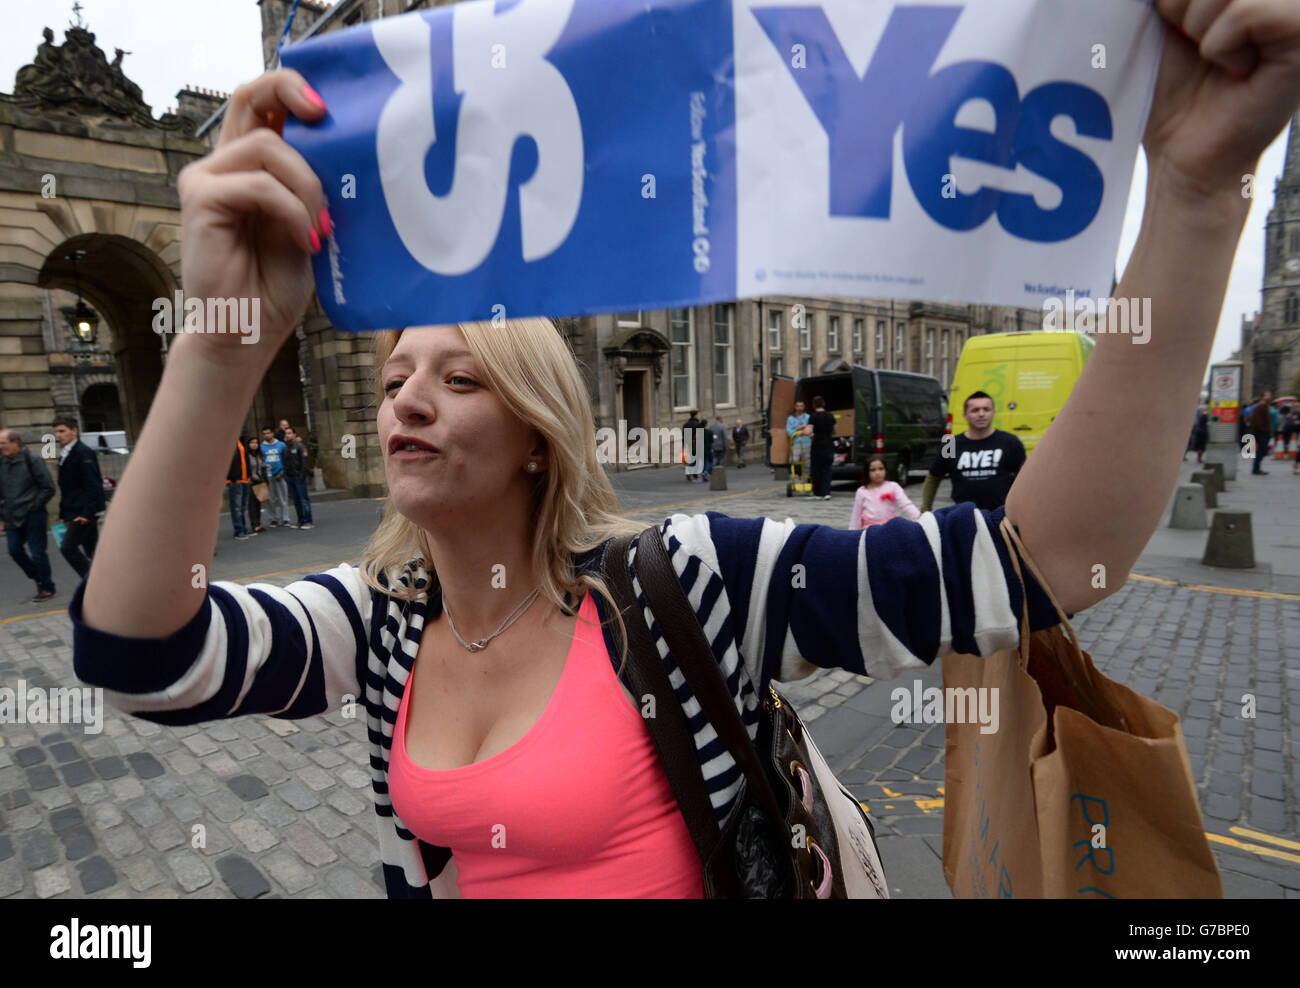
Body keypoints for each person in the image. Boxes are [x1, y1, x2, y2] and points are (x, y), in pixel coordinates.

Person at [69, 8, 1300, 898]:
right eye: (393, 378)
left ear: (540, 435)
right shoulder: (378, 614)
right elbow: (141, 658)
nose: (405, 401)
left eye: (459, 377)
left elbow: (1042, 565)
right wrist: (226, 345)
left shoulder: (692, 579)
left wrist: (1196, 195)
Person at [921, 392, 1027, 512]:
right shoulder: (950, 444)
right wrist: (925, 510)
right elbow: (934, 478)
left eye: (986, 409)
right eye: (975, 410)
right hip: (963, 517)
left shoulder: (1010, 442)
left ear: (993, 413)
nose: (981, 414)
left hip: (1000, 517)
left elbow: (1025, 479)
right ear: (965, 415)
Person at [0, 428, 57, 602]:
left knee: (37, 552)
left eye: (3, 443)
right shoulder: (2, 463)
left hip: (33, 514)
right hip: (11, 515)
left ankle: (47, 587)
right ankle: (39, 578)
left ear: (15, 442)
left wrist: (33, 506)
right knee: (14, 549)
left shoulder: (32, 460)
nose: (0, 446)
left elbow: (48, 488)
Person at [53, 416, 105, 578]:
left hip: (83, 512)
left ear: (74, 431)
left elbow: (93, 485)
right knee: (93, 552)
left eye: (62, 431)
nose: (58, 435)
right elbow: (67, 487)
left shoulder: (84, 452)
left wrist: (87, 514)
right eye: (56, 432)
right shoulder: (65, 453)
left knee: (67, 547)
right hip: (73, 510)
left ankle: (90, 582)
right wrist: (63, 513)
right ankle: (107, 581)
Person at [849, 456, 921, 529]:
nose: (877, 473)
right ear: (867, 472)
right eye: (873, 470)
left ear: (886, 470)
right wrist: (851, 534)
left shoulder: (893, 486)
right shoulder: (862, 492)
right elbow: (856, 516)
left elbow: (906, 505)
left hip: (890, 528)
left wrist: (919, 519)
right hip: (870, 531)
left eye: (881, 469)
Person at [283, 426, 314, 530]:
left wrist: (301, 477)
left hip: (299, 478)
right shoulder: (286, 448)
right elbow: (286, 464)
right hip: (290, 478)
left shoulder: (300, 446)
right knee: (296, 501)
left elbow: (304, 463)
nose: (287, 435)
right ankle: (301, 521)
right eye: (286, 433)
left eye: (289, 433)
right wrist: (287, 477)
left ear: (294, 434)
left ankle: (309, 521)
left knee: (304, 500)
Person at [259, 426, 290, 524]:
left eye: (268, 433)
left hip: (280, 475)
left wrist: (282, 473)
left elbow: (286, 460)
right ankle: (273, 519)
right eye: (264, 433)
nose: (266, 435)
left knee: (283, 498)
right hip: (267, 476)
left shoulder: (281, 445)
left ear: (272, 433)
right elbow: (260, 461)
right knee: (270, 499)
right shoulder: (261, 446)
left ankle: (285, 518)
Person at [226, 436, 253, 540]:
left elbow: (245, 460)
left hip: (244, 479)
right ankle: (239, 530)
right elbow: (229, 462)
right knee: (236, 507)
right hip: (236, 480)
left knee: (242, 506)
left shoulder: (240, 442)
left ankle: (243, 527)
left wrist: (249, 475)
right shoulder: (228, 442)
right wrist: (233, 477)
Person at [785, 399, 811, 488]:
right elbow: (789, 432)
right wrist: (797, 429)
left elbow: (811, 430)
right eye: (798, 406)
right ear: (795, 407)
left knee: (807, 463)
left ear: (804, 407)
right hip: (796, 443)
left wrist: (805, 428)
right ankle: (797, 477)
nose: (799, 408)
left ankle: (807, 480)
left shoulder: (808, 417)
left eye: (801, 406)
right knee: (794, 461)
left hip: (807, 443)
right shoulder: (790, 419)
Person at [1246, 390, 1273, 474]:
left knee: (1262, 451)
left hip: (1264, 432)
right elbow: (1256, 420)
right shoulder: (1260, 406)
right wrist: (1262, 430)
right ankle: (1255, 469)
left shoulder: (1265, 406)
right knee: (1262, 450)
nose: (1269, 397)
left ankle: (1256, 468)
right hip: (1261, 432)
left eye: (1270, 395)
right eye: (1267, 395)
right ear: (1263, 397)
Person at [245, 435, 266, 533]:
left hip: (260, 480)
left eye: (256, 443)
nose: (254, 445)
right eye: (252, 443)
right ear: (248, 444)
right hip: (251, 482)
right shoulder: (246, 455)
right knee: (252, 504)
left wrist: (264, 467)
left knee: (258, 503)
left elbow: (260, 467)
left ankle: (258, 523)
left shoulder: (259, 454)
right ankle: (255, 525)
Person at [682, 410, 705, 481]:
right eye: (697, 414)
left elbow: (684, 435)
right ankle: (691, 472)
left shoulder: (686, 424)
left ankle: (693, 474)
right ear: (695, 415)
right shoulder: (698, 424)